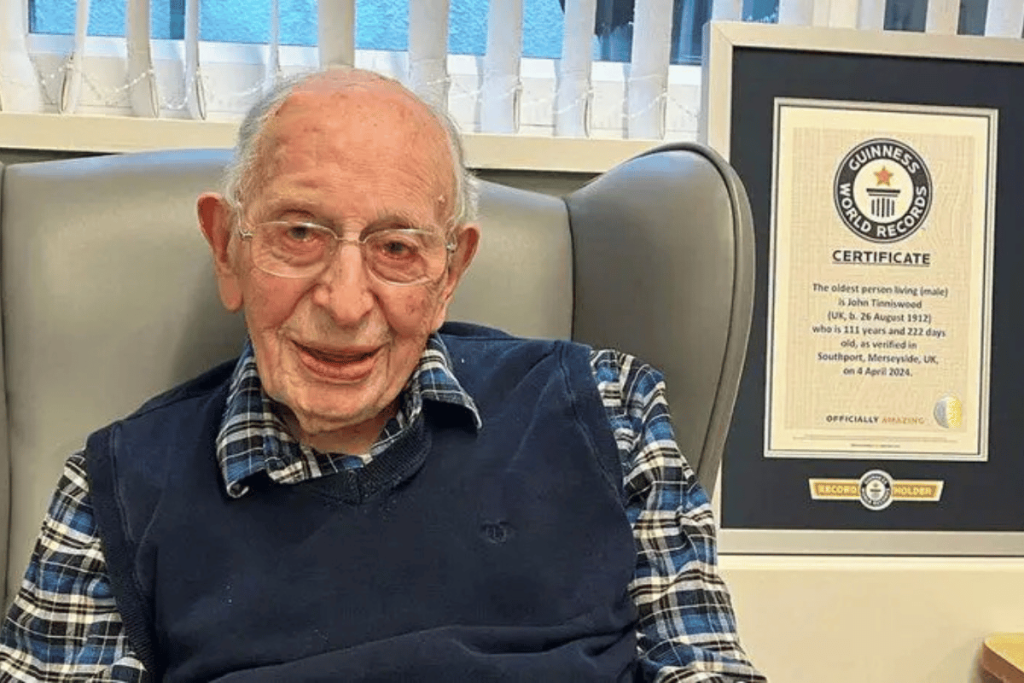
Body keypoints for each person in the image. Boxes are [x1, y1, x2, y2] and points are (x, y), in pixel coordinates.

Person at [0, 68, 764, 682]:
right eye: (300, 233)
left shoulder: (608, 409)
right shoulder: (113, 491)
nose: (345, 302)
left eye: (397, 248)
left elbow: (704, 665)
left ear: (450, 272)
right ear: (227, 246)